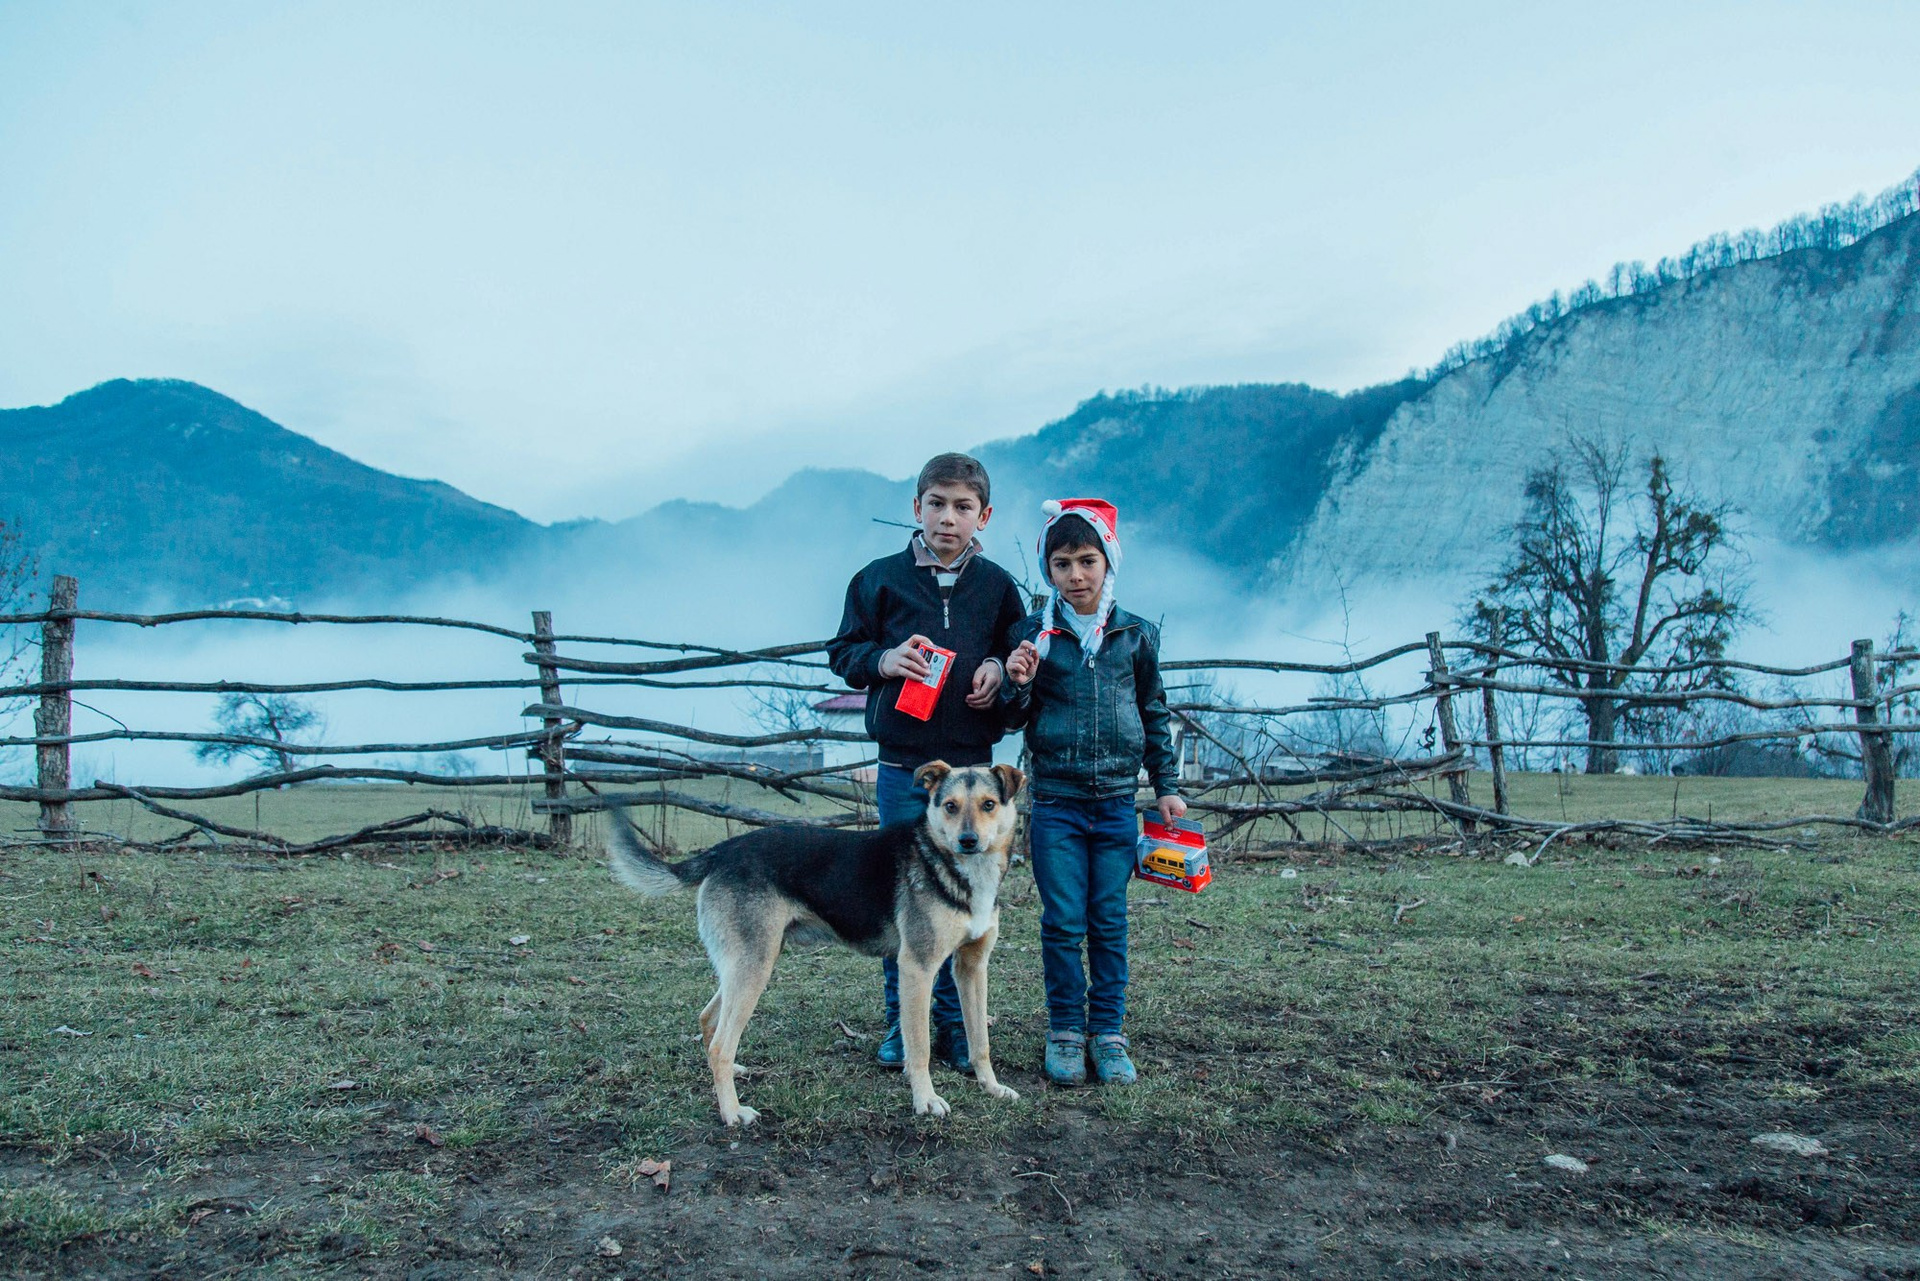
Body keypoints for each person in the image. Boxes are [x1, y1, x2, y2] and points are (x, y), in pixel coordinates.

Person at [827, 452, 1029, 1074]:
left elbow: (1018, 656)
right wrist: (883, 661)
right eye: (937, 504)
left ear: (983, 517)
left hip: (974, 779)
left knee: (966, 905)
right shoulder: (877, 580)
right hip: (904, 773)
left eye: (963, 507)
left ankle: (957, 1029)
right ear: (917, 507)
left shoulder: (998, 587)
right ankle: (901, 1021)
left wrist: (998, 671)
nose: (948, 518)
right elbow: (843, 651)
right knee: (907, 903)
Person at [1002, 498, 1185, 1087]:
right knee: (1062, 921)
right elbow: (1011, 719)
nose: (1076, 575)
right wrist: (1017, 682)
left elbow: (1153, 712)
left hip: (1115, 805)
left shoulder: (1136, 635)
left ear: (1109, 563)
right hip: (1055, 804)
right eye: (1062, 564)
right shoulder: (1032, 635)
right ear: (1047, 569)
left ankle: (1107, 1032)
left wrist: (1166, 787)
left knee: (1108, 919)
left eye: (1087, 561)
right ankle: (1064, 1029)